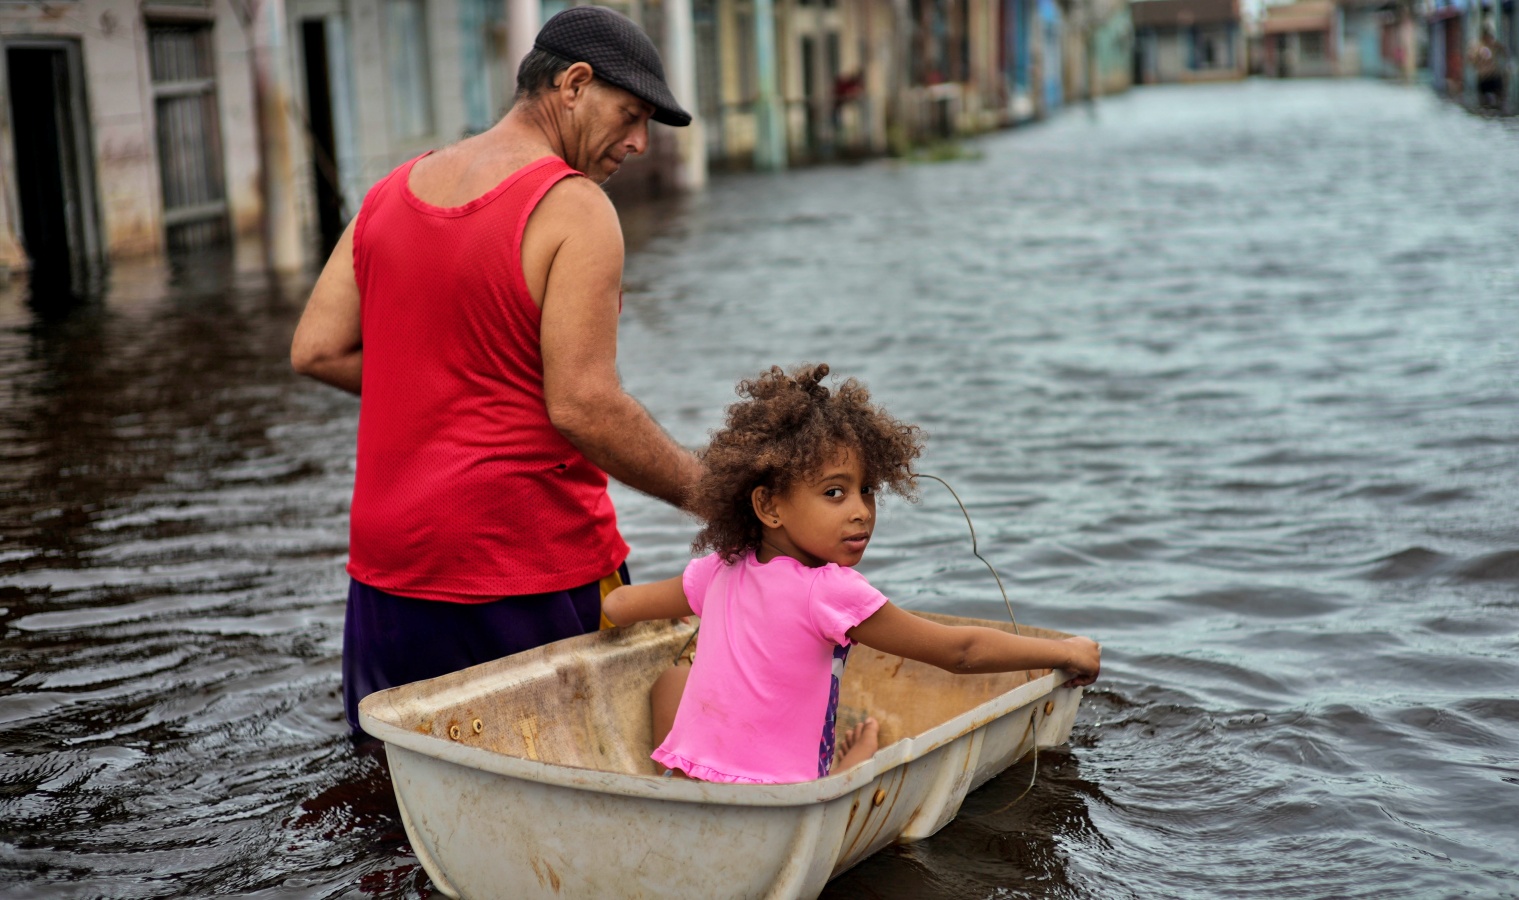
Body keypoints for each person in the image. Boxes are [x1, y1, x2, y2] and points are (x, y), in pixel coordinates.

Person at [289, 7, 702, 733]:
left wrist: (450, 377)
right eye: (631, 114)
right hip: (524, 565)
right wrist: (717, 497)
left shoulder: (390, 191)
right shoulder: (575, 208)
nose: (639, 141)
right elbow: (584, 406)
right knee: (575, 780)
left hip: (390, 573)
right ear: (574, 84)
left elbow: (316, 348)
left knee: (402, 794)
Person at [601, 365, 1102, 784]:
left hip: (691, 787)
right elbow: (959, 652)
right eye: (835, 493)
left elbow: (618, 607)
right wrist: (1065, 651)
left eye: (868, 491)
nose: (862, 511)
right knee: (856, 752)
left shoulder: (722, 566)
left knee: (672, 677)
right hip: (781, 800)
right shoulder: (831, 592)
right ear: (769, 505)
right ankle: (856, 760)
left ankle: (667, 781)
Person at [1470, 28, 1505, 111]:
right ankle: (1485, 109)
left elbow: (1502, 50)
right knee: (1483, 98)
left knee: (1498, 94)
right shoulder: (1478, 47)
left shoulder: (1493, 45)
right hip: (1483, 76)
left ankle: (1496, 109)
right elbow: (1472, 59)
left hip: (1493, 74)